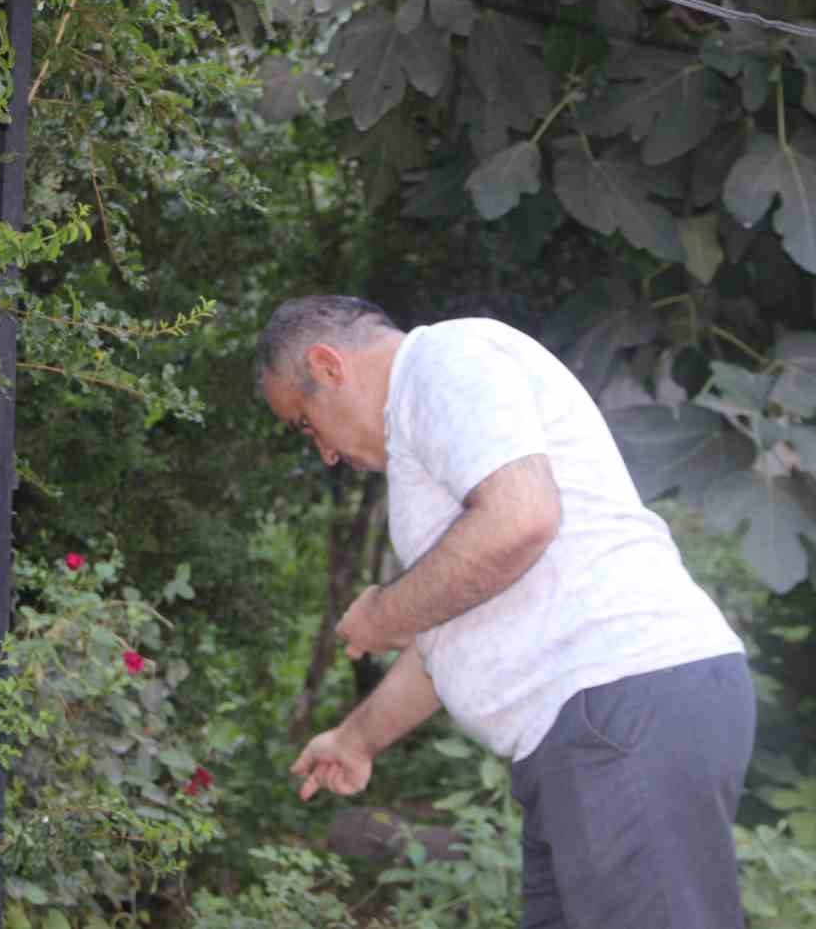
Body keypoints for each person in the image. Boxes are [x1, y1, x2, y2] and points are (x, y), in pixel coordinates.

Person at [255, 295, 754, 929]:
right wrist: (356, 739)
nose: (323, 451)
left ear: (328, 366)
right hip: (590, 728)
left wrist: (383, 613)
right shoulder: (423, 432)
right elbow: (455, 636)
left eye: (305, 423)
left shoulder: (444, 360)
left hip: (618, 703)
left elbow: (521, 520)